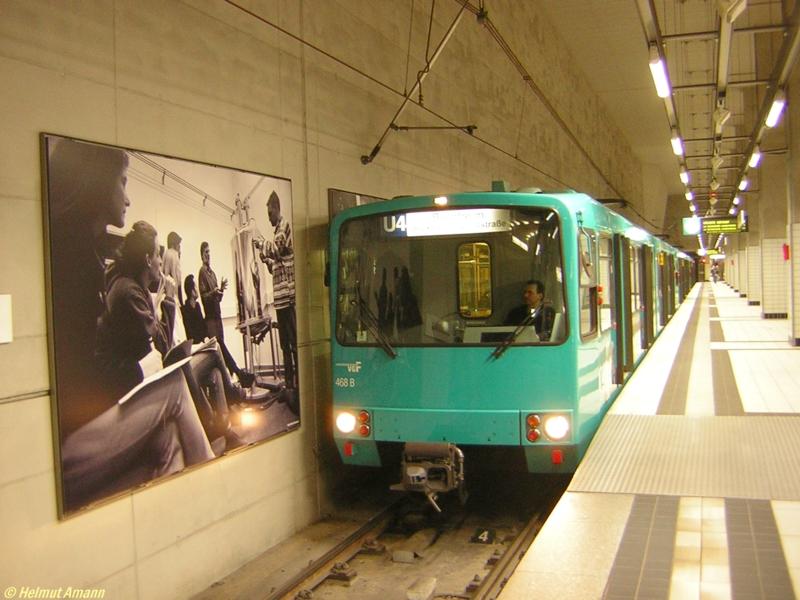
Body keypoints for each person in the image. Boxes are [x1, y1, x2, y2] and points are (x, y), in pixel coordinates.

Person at [45, 138, 214, 511]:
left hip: (76, 424)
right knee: (173, 386)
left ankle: (183, 517)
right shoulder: (76, 264)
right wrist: (141, 369)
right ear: (96, 180)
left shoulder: (82, 258)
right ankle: (212, 494)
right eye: (122, 181)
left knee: (168, 437)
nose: (127, 197)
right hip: (61, 442)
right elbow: (78, 374)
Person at [95, 222, 243, 445]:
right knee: (213, 350)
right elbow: (163, 347)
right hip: (144, 381)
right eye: (158, 255)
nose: (161, 263)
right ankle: (232, 399)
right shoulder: (129, 292)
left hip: (149, 372)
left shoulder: (131, 287)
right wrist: (170, 300)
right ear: (147, 259)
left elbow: (158, 339)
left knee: (213, 373)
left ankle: (224, 431)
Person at [198, 241, 254, 387]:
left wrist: (220, 290)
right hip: (210, 319)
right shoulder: (202, 272)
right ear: (202, 255)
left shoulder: (213, 274)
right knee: (219, 348)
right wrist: (214, 292)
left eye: (209, 252)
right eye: (206, 252)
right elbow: (204, 297)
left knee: (222, 350)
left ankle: (231, 380)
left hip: (218, 316)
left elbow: (218, 298)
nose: (208, 255)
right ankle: (237, 374)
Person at [257, 191, 298, 390]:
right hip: (281, 299)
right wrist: (267, 262)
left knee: (293, 342)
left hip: (288, 297)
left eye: (270, 214)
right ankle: (290, 384)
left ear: (277, 208)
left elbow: (277, 247)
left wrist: (260, 243)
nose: (269, 218)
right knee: (285, 343)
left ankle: (297, 383)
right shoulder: (277, 231)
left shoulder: (284, 227)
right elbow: (277, 265)